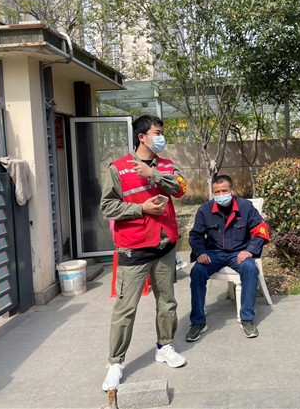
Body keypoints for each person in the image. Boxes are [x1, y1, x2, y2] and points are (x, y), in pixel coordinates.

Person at [100, 115, 187, 393]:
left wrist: (154, 175)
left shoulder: (167, 165)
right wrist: (141, 209)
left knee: (167, 302)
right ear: (142, 137)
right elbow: (108, 207)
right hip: (134, 247)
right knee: (126, 309)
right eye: (157, 132)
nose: (161, 137)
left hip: (164, 245)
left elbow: (179, 189)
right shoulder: (118, 168)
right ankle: (115, 363)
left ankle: (165, 346)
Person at [186, 175, 270, 341]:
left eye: (224, 191)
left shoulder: (246, 207)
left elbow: (261, 230)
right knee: (197, 271)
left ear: (232, 190)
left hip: (238, 253)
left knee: (250, 268)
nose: (221, 194)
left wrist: (250, 251)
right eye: (217, 192)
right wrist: (200, 252)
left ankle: (247, 319)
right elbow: (195, 235)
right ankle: (198, 322)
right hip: (213, 253)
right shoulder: (204, 210)